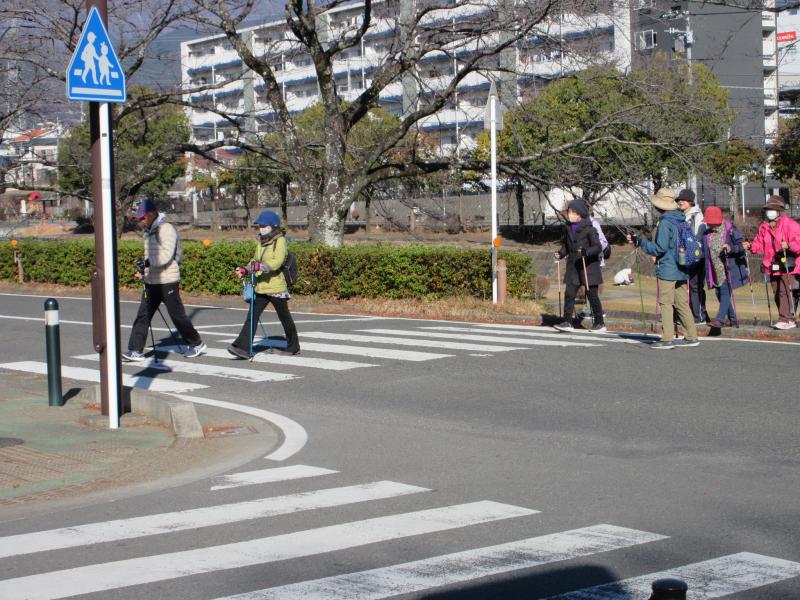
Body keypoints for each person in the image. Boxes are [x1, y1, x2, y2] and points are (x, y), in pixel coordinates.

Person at [123, 200, 206, 361]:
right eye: (139, 218)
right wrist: (143, 270)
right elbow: (152, 257)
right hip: (152, 280)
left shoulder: (166, 229)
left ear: (152, 214)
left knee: (177, 315)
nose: (140, 221)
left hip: (168, 279)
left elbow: (166, 256)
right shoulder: (149, 231)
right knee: (143, 315)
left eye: (142, 217)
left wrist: (147, 262)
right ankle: (135, 350)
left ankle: (196, 343)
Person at [627, 188, 699, 349]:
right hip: (682, 265)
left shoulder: (665, 222)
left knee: (666, 302)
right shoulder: (680, 218)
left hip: (668, 266)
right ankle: (691, 335)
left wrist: (641, 242)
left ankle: (667, 338)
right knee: (681, 302)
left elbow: (660, 248)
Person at [228, 210, 300, 358]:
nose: (261, 227)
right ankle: (242, 348)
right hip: (261, 286)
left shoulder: (280, 241)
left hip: (275, 287)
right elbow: (255, 260)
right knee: (252, 316)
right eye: (260, 225)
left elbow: (277, 261)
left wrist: (260, 267)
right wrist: (246, 270)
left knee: (284, 317)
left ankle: (293, 346)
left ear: (273, 226)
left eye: (264, 225)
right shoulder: (261, 241)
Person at [743, 196, 800, 330]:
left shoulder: (790, 224)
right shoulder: (764, 227)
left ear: (779, 210)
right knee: (776, 291)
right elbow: (759, 244)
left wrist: (789, 245)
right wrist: (750, 246)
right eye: (768, 209)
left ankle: (787, 319)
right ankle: (785, 317)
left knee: (785, 291)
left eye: (772, 209)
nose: (770, 211)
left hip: (789, 264)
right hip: (772, 264)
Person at [553, 199, 606, 333]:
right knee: (569, 293)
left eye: (572, 212)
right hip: (574, 266)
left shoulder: (590, 229)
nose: (570, 214)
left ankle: (599, 323)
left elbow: (598, 247)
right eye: (569, 211)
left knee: (592, 294)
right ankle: (567, 321)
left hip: (588, 266)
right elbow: (566, 245)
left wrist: (585, 252)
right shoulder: (568, 228)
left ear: (580, 214)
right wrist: (560, 253)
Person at [701, 206, 749, 328]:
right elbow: (704, 252)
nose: (710, 225)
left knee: (724, 291)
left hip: (728, 268)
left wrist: (731, 248)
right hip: (714, 269)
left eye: (711, 223)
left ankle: (720, 319)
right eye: (708, 223)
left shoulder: (730, 230)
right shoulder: (706, 234)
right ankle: (732, 319)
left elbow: (742, 245)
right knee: (719, 293)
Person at [676, 189, 708, 324]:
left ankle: (699, 315)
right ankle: (683, 315)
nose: (680, 202)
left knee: (695, 286)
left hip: (696, 257)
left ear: (690, 201)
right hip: (682, 256)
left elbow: (697, 238)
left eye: (683, 200)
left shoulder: (698, 216)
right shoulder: (680, 215)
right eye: (679, 200)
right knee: (682, 286)